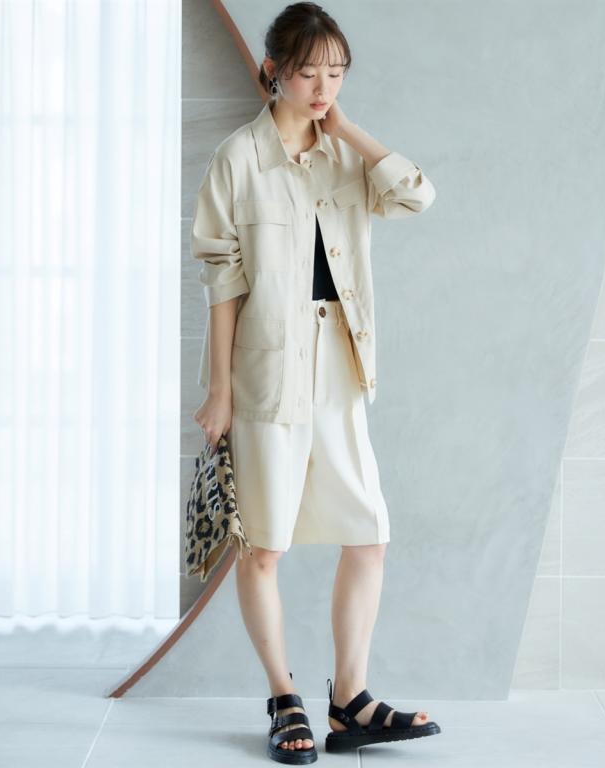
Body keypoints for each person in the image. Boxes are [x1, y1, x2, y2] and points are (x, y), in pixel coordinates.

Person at [191, 2, 439, 762]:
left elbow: (417, 194)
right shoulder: (239, 158)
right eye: (308, 73)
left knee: (368, 535)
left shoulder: (343, 156)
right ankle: (283, 697)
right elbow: (223, 281)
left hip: (341, 365)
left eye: (336, 73)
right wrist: (220, 391)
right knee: (263, 547)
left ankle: (349, 700)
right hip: (265, 368)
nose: (324, 87)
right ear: (274, 71)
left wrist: (349, 132)